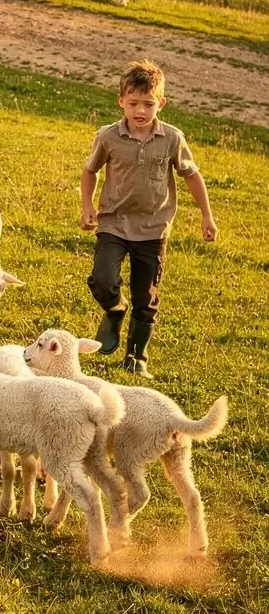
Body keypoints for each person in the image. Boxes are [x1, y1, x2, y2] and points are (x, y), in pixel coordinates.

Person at [79, 59, 217, 378]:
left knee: (147, 297)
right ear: (121, 102)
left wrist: (207, 216)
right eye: (133, 104)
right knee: (102, 278)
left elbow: (191, 176)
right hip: (113, 223)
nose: (140, 111)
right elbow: (90, 170)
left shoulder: (172, 138)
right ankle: (114, 309)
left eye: (148, 104)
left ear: (161, 103)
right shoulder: (108, 136)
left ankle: (136, 357)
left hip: (154, 230)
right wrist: (87, 206)